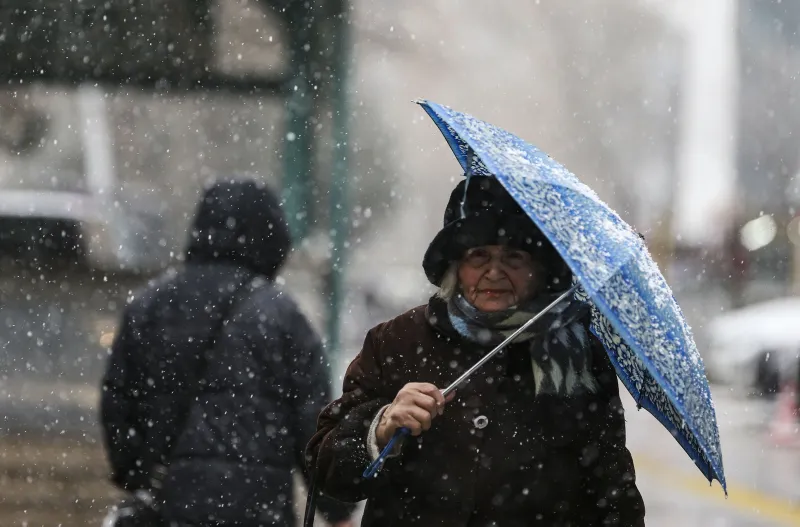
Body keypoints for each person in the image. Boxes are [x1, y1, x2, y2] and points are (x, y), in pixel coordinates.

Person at [307, 176, 646, 526]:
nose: (494, 272)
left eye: (514, 256)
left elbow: (612, 495)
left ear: (539, 269)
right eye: (478, 255)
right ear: (456, 265)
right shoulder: (396, 341)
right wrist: (382, 425)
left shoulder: (580, 356)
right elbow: (327, 470)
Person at [100, 179, 354, 527]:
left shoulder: (149, 305)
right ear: (271, 239)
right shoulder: (282, 315)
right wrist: (335, 508)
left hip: (169, 509)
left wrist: (138, 474)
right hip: (257, 512)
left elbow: (117, 403)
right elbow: (312, 422)